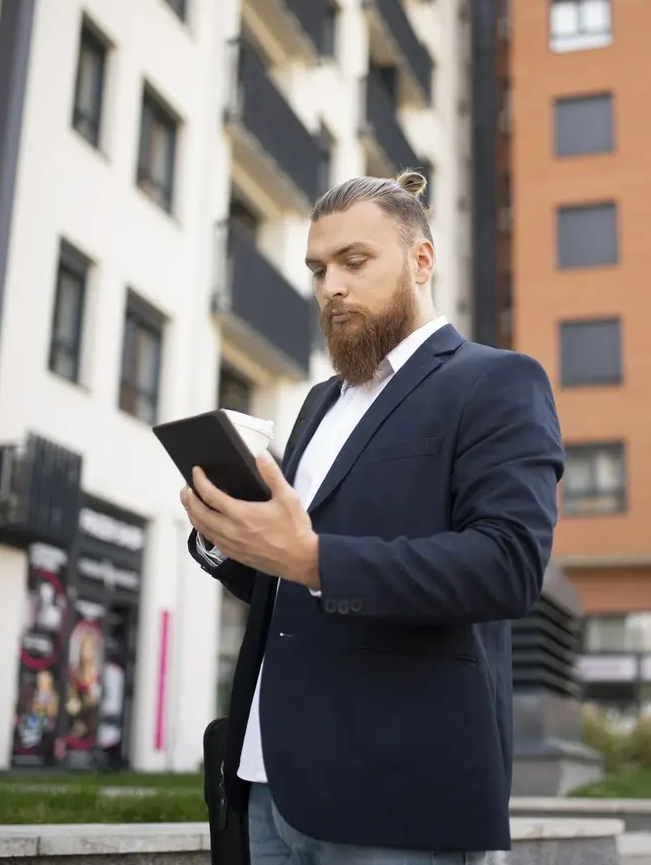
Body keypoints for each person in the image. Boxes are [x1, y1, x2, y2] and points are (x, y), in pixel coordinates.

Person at [182, 169, 563, 865]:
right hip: (269, 785)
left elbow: (507, 567)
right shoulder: (320, 404)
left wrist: (311, 559)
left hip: (393, 800)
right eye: (319, 268)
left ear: (422, 260)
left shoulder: (495, 381)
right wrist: (230, 538)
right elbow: (296, 588)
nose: (331, 285)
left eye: (354, 262)